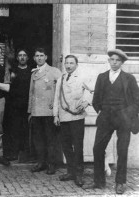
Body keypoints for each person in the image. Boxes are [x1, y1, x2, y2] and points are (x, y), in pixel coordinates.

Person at [84, 49, 139, 194]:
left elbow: (136, 101)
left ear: (121, 63)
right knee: (97, 148)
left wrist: (127, 114)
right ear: (109, 61)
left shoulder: (129, 78)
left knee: (122, 151)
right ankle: (98, 182)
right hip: (106, 118)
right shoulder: (102, 77)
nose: (114, 62)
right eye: (112, 60)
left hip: (123, 119)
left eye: (117, 60)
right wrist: (101, 112)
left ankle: (120, 182)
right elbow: (96, 100)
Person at [53, 55, 93, 187]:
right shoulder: (61, 79)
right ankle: (71, 171)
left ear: (77, 64)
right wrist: (55, 115)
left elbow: (93, 90)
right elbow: (56, 98)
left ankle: (79, 173)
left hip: (77, 117)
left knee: (78, 146)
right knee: (66, 145)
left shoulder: (82, 77)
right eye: (67, 63)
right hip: (64, 117)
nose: (68, 65)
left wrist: (87, 101)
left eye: (71, 63)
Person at [28, 47, 61, 175]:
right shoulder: (34, 73)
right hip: (36, 112)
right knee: (38, 139)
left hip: (49, 111)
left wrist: (57, 108)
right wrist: (30, 111)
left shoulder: (54, 71)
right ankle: (41, 163)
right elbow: (31, 93)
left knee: (50, 139)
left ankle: (51, 164)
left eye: (42, 55)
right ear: (34, 58)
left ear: (46, 57)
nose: (39, 58)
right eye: (37, 56)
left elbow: (61, 88)